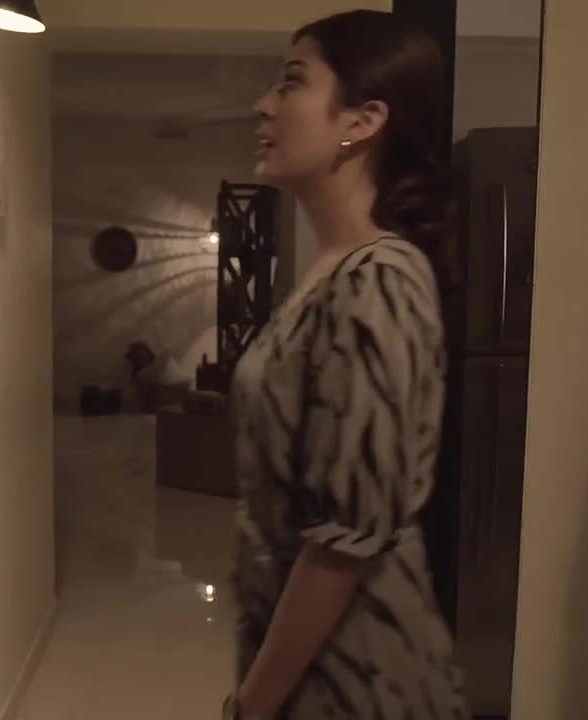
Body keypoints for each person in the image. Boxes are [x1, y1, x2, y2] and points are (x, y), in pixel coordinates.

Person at [223, 10, 469, 720]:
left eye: (291, 84)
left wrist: (251, 706)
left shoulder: (378, 281)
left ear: (362, 121)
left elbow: (344, 540)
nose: (263, 105)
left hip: (361, 678)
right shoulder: (332, 271)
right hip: (317, 666)